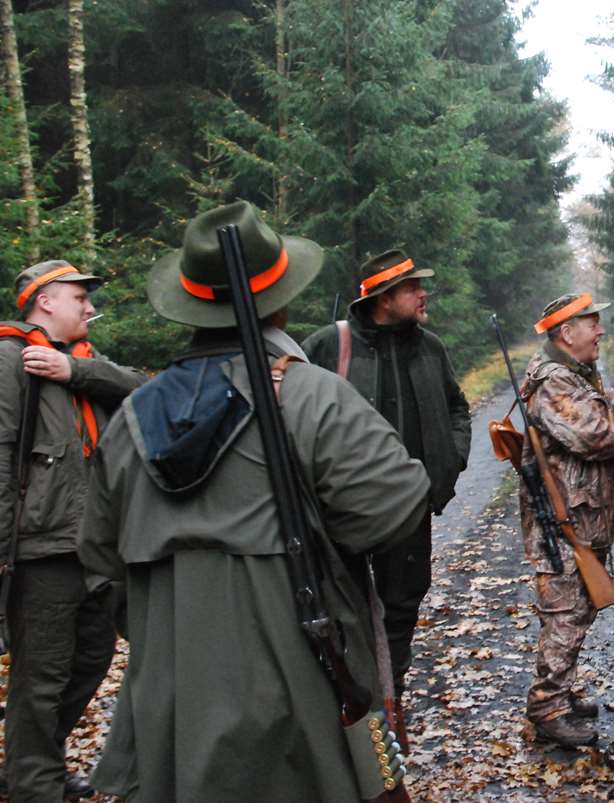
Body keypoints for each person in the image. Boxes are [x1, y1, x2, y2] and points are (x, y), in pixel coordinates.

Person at [78, 201, 431, 801]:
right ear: (279, 301)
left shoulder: (131, 418)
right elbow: (396, 503)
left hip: (169, 701)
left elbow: (100, 562)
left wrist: (174, 618)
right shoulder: (310, 394)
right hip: (302, 683)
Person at [0, 259, 146, 802]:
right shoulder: (9, 359)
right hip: (40, 547)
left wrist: (72, 372)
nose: (90, 306)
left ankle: (34, 763)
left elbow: (141, 391)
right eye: (79, 297)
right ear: (45, 301)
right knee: (41, 677)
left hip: (94, 545)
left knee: (92, 658)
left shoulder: (83, 361)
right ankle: (34, 786)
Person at [302, 250, 470, 695]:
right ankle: (349, 694)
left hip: (410, 503)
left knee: (402, 602)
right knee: (343, 602)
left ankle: (390, 691)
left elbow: (457, 406)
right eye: (412, 288)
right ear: (384, 297)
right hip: (343, 507)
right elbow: (293, 412)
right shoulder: (328, 346)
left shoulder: (430, 347)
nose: (423, 294)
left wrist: (451, 458)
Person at [518, 293, 614, 747]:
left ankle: (559, 695)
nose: (600, 331)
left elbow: (599, 407)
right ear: (567, 333)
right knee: (565, 614)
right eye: (592, 323)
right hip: (561, 525)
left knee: (578, 610)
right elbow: (592, 434)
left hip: (580, 520)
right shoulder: (554, 381)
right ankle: (547, 709)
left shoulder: (573, 374)